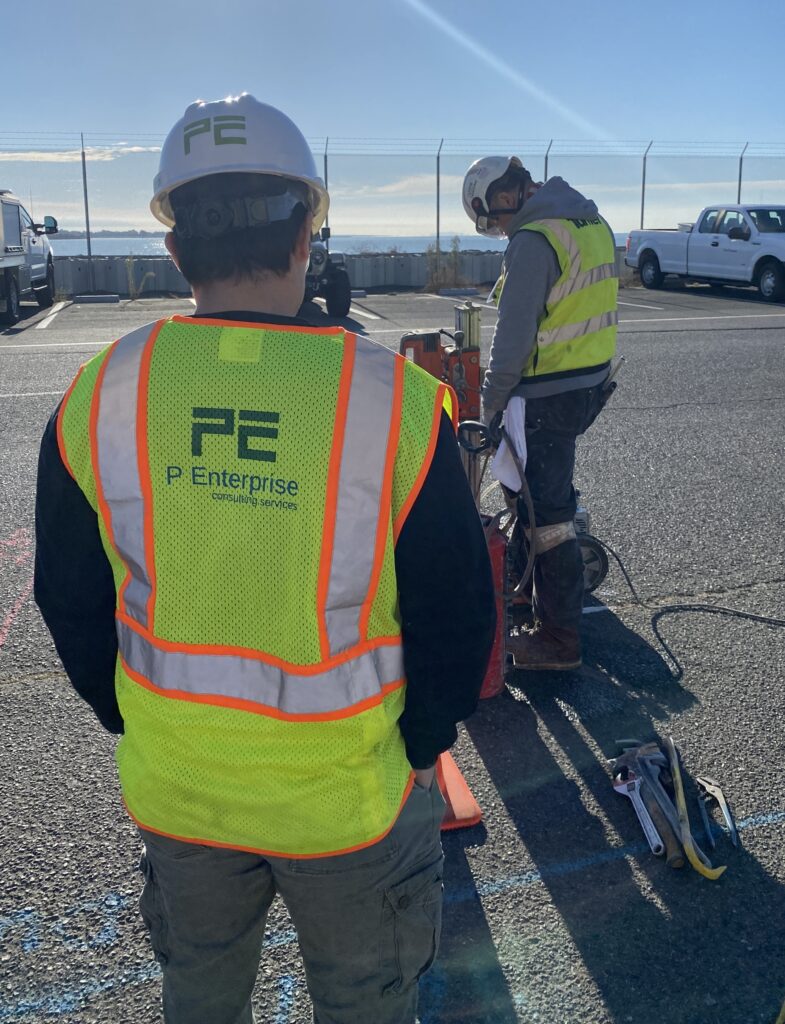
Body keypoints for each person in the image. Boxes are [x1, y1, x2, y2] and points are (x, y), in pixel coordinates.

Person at [34, 94, 496, 1024]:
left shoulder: (101, 391)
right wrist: (425, 744)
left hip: (181, 792)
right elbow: (458, 609)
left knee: (199, 998)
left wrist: (126, 716)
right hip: (349, 803)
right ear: (305, 240)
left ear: (173, 251)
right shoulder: (396, 403)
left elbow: (67, 597)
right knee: (366, 1003)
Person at [462, 156, 618, 670]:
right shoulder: (588, 221)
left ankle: (558, 639)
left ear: (505, 198)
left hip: (545, 394)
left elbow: (513, 337)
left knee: (546, 515)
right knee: (533, 500)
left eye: (494, 221)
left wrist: (488, 406)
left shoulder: (534, 239)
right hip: (585, 384)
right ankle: (531, 594)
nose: (500, 231)